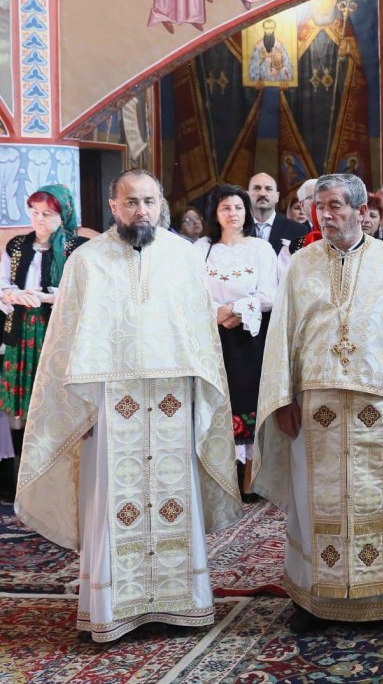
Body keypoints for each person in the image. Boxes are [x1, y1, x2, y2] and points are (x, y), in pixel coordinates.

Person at [15, 169, 242, 642]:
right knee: (111, 505)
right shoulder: (87, 261)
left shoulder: (183, 257)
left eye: (149, 201)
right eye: (131, 202)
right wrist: (80, 411)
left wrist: (201, 399)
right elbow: (65, 343)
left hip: (171, 405)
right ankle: (114, 608)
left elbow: (200, 338)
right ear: (114, 207)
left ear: (161, 204)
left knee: (174, 500)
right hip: (108, 408)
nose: (142, 211)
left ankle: (181, 604)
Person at [252, 173, 383, 627]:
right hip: (314, 405)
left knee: (381, 500)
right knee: (314, 500)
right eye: (322, 206)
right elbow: (281, 336)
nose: (328, 213)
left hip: (375, 405)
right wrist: (282, 399)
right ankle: (313, 598)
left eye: (338, 205)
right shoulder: (300, 264)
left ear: (362, 211)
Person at [0, 186, 87, 501]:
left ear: (62, 214)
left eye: (46, 214)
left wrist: (45, 297)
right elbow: (3, 285)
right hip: (21, 331)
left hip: (57, 333)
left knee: (54, 399)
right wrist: (13, 294)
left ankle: (60, 477)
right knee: (19, 400)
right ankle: (23, 475)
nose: (38, 219)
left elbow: (84, 293)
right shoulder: (18, 245)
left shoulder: (78, 248)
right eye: (34, 212)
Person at [196, 184, 278, 496]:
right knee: (217, 400)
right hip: (213, 336)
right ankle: (220, 474)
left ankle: (251, 478)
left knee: (249, 402)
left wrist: (238, 309)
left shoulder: (260, 248)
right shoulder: (202, 249)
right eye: (226, 208)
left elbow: (270, 293)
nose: (234, 214)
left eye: (239, 208)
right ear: (214, 214)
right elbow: (191, 291)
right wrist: (218, 312)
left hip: (250, 336)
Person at [248, 172, 307, 255]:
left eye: (268, 189)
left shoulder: (298, 230)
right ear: (247, 195)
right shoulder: (237, 229)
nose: (262, 193)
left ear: (277, 196)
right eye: (257, 188)